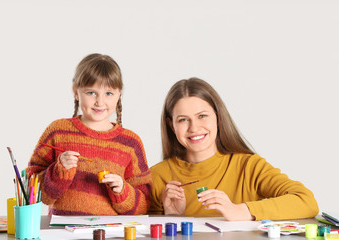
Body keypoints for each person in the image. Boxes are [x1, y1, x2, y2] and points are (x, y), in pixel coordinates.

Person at [149, 77, 318, 221]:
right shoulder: (156, 177)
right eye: (183, 120)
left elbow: (306, 201)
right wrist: (173, 219)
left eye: (202, 116)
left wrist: (242, 211)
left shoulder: (249, 166)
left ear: (218, 117)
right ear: (171, 125)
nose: (194, 128)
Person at [27, 53, 152, 215]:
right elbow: (31, 192)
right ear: (76, 92)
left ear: (119, 94)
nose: (100, 102)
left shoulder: (130, 143)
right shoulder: (58, 132)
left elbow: (144, 205)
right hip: (62, 234)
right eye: (91, 93)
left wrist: (122, 191)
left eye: (108, 93)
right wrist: (58, 172)